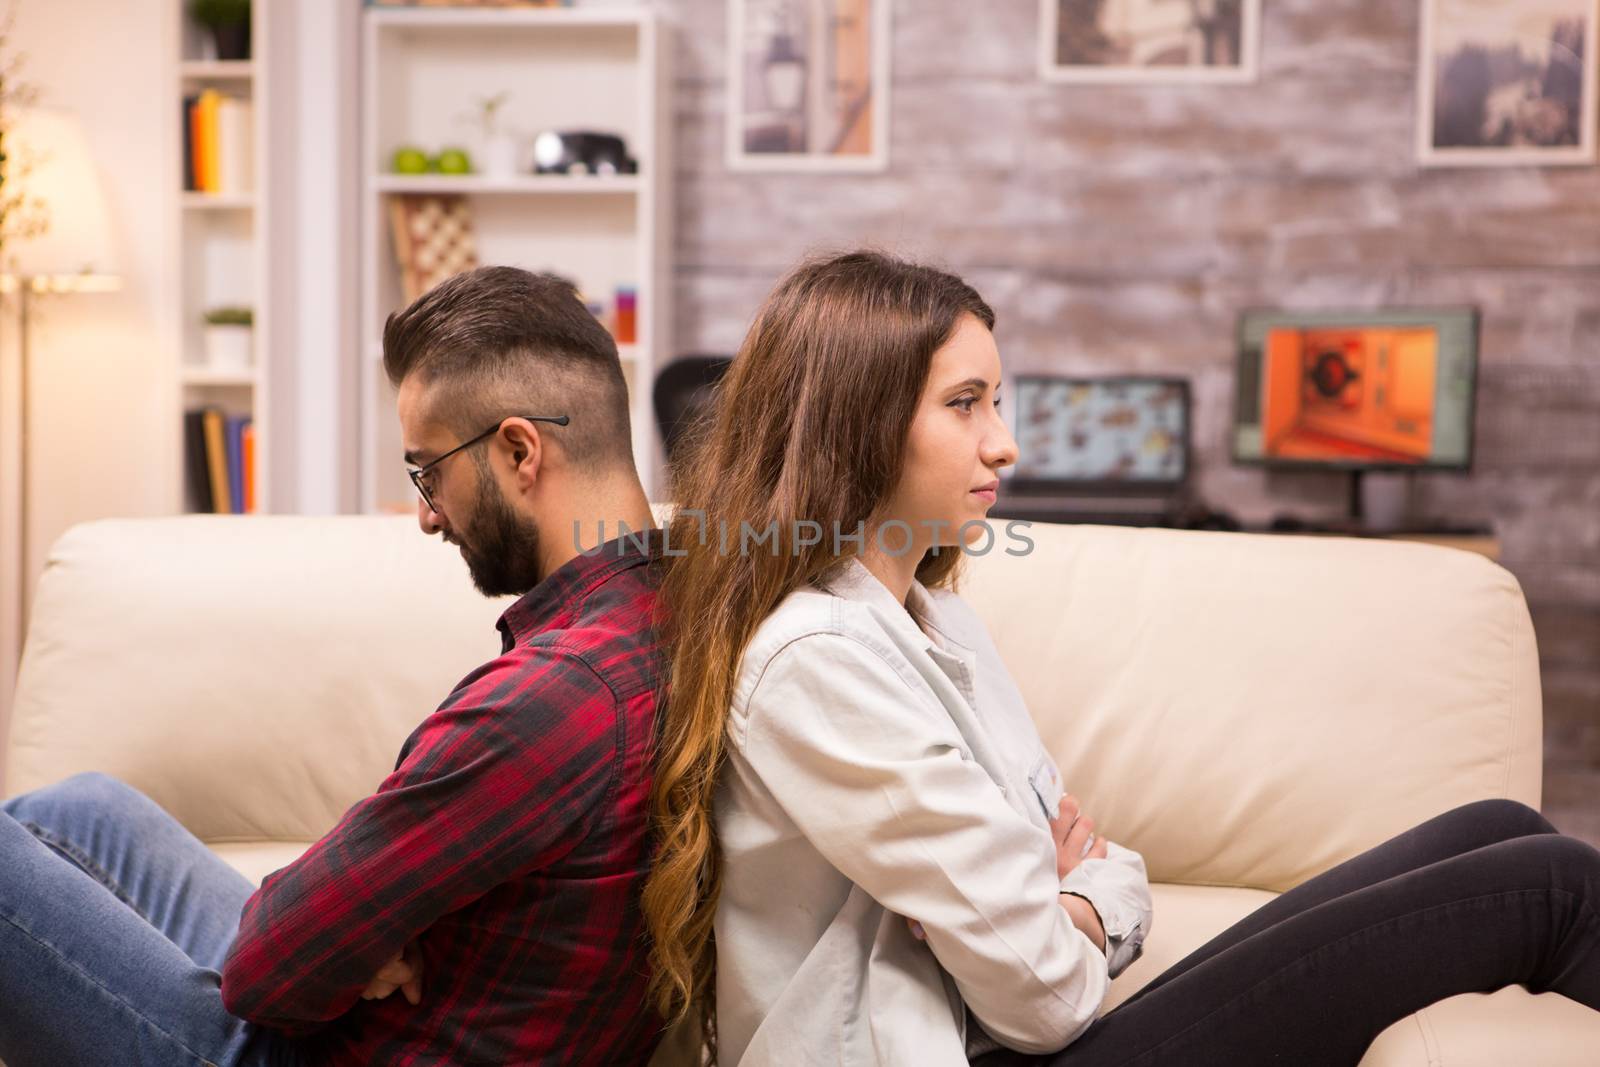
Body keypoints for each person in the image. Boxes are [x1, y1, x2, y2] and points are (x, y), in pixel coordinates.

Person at [640, 249, 1600, 1066]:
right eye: (966, 404)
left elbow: (1086, 859)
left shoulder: (938, 622)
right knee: (1549, 889)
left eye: (998, 401)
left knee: (1496, 823)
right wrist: (1077, 907)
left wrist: (1074, 898)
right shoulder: (816, 661)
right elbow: (1045, 996)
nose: (1005, 444)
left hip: (999, 1036)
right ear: (857, 424)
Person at [0, 266, 669, 1065]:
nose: (426, 516)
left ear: (519, 449)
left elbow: (263, 973)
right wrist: (360, 939)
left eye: (429, 471)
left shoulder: (555, 698)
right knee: (86, 809)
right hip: (356, 1020)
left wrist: (336, 944)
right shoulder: (653, 617)